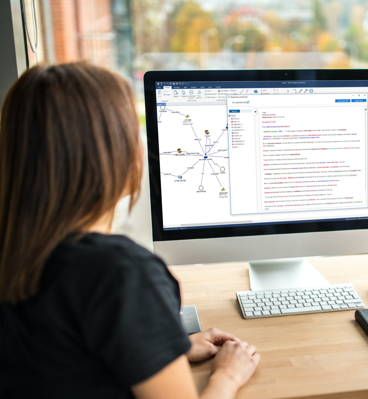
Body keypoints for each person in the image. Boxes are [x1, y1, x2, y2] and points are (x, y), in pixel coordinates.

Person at [0, 62, 260, 399]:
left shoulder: (17, 254)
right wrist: (227, 375)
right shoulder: (119, 273)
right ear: (111, 153)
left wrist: (164, 347)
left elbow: (65, 363)